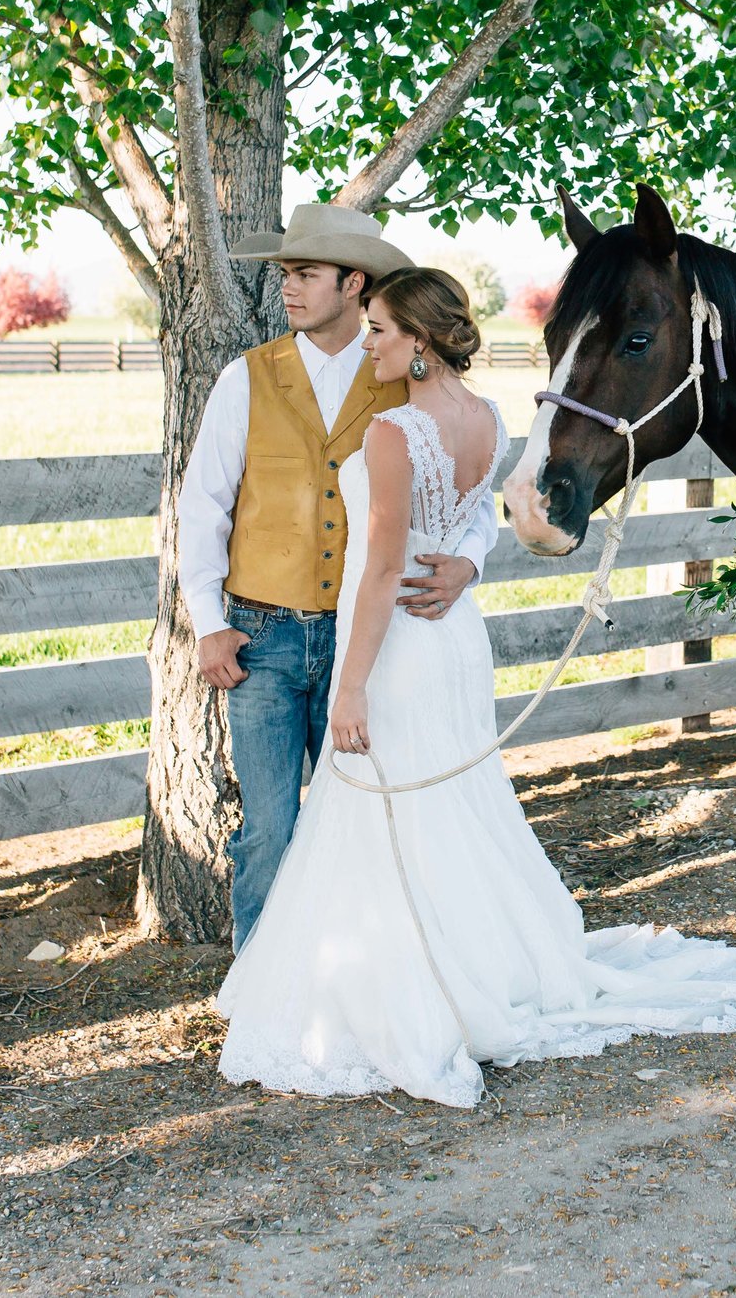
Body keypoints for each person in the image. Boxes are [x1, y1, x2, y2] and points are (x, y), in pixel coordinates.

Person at [215, 267, 736, 1107]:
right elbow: (473, 517)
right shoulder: (483, 419)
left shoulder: (392, 433)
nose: (368, 342)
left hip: (399, 643)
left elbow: (378, 576)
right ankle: (483, 962)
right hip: (455, 638)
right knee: (450, 808)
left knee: (389, 811)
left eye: (378, 329)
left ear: (418, 344)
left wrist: (351, 685)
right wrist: (465, 563)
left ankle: (411, 989)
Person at [176, 205, 500, 951]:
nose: (287, 288)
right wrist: (207, 620)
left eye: (305, 274)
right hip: (261, 635)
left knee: (358, 820)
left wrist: (472, 559)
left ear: (354, 283)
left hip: (370, 642)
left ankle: (350, 970)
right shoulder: (245, 378)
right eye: (285, 274)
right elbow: (203, 508)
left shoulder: (398, 374)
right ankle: (255, 976)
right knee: (269, 828)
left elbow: (465, 487)